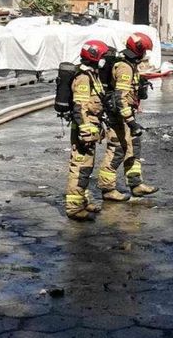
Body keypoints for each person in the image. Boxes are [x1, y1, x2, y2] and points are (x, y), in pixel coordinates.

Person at [99, 33, 159, 201]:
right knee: (116, 149)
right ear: (138, 50)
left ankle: (136, 184)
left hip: (126, 114)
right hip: (119, 116)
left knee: (133, 146)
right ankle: (107, 188)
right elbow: (120, 97)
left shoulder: (130, 64)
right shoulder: (124, 67)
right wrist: (131, 122)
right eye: (144, 50)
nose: (145, 54)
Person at [64, 40, 109, 221]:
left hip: (91, 128)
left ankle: (83, 201)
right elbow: (79, 107)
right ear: (94, 57)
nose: (104, 61)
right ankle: (74, 208)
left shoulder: (92, 75)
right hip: (84, 131)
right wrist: (85, 130)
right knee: (80, 168)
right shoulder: (83, 78)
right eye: (102, 57)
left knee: (87, 168)